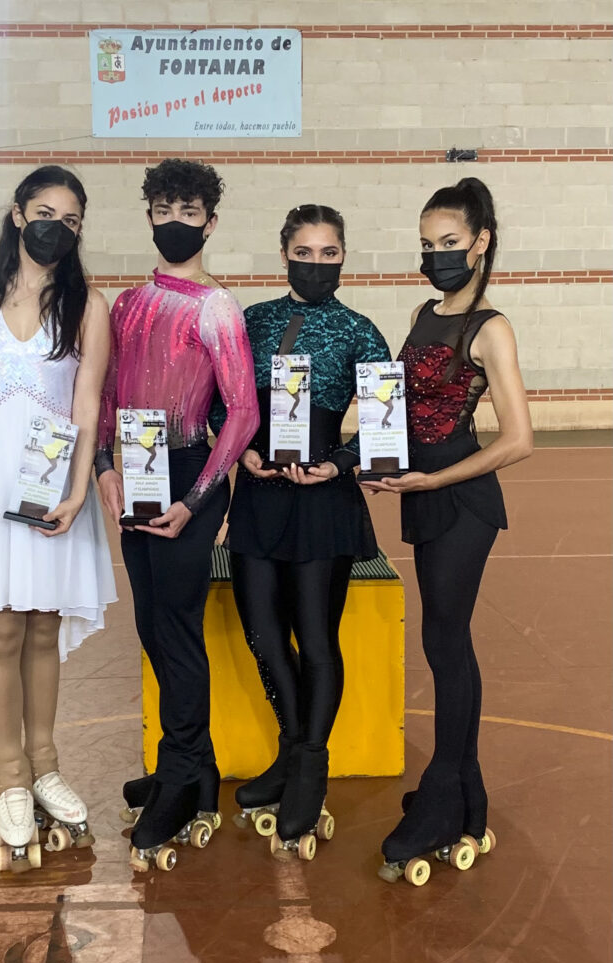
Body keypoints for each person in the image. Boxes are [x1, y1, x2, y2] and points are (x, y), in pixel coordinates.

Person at [0, 166, 116, 872]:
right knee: (1, 630)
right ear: (16, 215)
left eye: (70, 220)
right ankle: (9, 775)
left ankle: (45, 765)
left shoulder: (88, 307)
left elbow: (88, 403)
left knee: (41, 628)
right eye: (44, 213)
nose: (55, 228)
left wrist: (78, 486)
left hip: (50, 481)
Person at [360, 177, 533, 885]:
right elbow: (402, 409)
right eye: (428, 244)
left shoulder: (490, 327)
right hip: (421, 492)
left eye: (450, 243)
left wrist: (434, 480)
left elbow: (519, 439)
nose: (437, 256)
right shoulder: (422, 313)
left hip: (462, 502)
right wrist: (373, 460)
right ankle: (466, 797)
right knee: (444, 643)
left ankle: (442, 797)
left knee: (445, 643)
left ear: (481, 242)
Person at [210, 204, 391, 860]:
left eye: (329, 253)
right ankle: (291, 751)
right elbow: (217, 403)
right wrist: (243, 452)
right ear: (285, 253)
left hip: (323, 503)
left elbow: (385, 419)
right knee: (263, 633)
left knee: (315, 639)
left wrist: (339, 463)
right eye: (305, 252)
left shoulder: (360, 331)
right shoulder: (252, 321)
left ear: (343, 257)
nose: (317, 264)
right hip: (260, 497)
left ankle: (310, 767)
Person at [95, 158, 259, 872]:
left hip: (191, 472)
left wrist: (198, 500)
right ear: (149, 217)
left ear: (210, 223)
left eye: (188, 212)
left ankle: (180, 776)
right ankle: (193, 768)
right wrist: (104, 466)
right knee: (151, 625)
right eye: (163, 210)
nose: (174, 222)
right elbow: (106, 394)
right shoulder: (126, 305)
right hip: (136, 467)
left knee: (178, 628)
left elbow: (243, 413)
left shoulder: (216, 309)